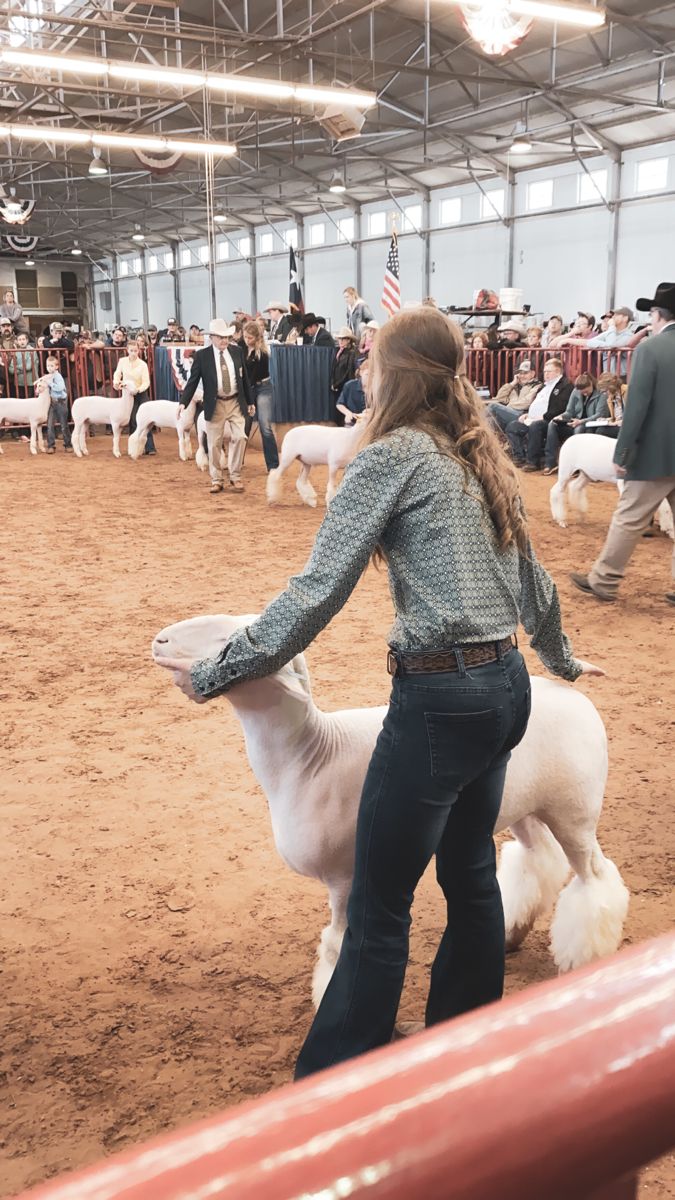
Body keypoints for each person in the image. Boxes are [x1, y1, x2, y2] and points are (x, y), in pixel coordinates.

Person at [156, 307, 601, 1077]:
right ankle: (462, 1042)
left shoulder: (389, 457)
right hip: (505, 689)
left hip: (439, 700)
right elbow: (531, 580)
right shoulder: (479, 456)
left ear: (392, 373)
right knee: (466, 873)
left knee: (379, 900)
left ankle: (335, 1073)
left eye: (368, 358)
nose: (360, 368)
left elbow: (317, 590)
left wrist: (220, 672)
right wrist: (558, 660)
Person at [571, 281, 675, 605]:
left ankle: (604, 580)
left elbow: (638, 406)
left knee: (628, 518)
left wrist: (623, 451)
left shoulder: (650, 349)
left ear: (657, 315)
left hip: (655, 456)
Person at [178, 317, 251, 495]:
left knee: (241, 437)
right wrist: (183, 402)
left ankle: (235, 475)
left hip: (235, 402)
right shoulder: (202, 356)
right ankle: (217, 479)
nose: (224, 340)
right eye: (220, 337)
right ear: (212, 337)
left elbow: (245, 378)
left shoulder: (237, 351)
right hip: (215, 403)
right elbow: (193, 381)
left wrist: (250, 401)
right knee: (214, 444)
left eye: (226, 336)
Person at [505, 359, 574, 470]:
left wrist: (543, 417)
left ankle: (533, 462)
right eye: (545, 371)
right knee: (513, 426)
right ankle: (519, 457)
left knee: (536, 426)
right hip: (532, 419)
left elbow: (560, 408)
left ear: (558, 372)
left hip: (551, 420)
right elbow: (536, 404)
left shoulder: (565, 386)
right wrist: (527, 414)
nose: (545, 374)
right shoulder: (544, 386)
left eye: (549, 371)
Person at [542, 372, 609, 475]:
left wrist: (581, 421)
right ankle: (550, 463)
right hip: (574, 422)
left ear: (591, 384)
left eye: (586, 391)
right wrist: (561, 417)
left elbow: (600, 414)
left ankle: (576, 466)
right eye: (582, 392)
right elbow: (569, 411)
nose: (584, 394)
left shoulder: (601, 394)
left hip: (589, 425)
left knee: (579, 429)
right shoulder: (575, 391)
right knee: (553, 424)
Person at [242, 320, 279, 472]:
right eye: (245, 337)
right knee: (243, 426)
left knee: (265, 426)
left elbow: (251, 376)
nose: (246, 340)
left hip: (263, 387)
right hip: (249, 388)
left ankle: (273, 466)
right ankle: (237, 462)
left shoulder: (262, 353)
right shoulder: (241, 348)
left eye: (250, 338)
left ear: (257, 338)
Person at [113, 339, 154, 455]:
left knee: (146, 419)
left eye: (135, 351)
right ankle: (133, 448)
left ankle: (150, 447)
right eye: (131, 350)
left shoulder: (143, 364)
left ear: (139, 351)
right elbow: (117, 373)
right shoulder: (122, 361)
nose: (133, 353)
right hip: (127, 395)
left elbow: (146, 382)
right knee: (132, 420)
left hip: (141, 394)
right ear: (127, 351)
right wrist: (116, 382)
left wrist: (138, 390)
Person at [488, 360, 542, 435]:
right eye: (520, 373)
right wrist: (512, 383)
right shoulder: (514, 386)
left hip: (523, 415)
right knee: (491, 418)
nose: (522, 376)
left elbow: (527, 403)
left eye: (525, 373)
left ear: (532, 374)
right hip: (510, 412)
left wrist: (508, 406)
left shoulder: (537, 385)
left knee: (493, 406)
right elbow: (499, 398)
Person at [42, 355, 72, 453]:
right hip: (52, 402)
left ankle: (68, 444)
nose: (49, 368)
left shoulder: (58, 377)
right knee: (50, 425)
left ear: (56, 367)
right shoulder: (48, 377)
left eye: (51, 366)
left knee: (64, 425)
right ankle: (51, 445)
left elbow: (60, 388)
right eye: (48, 366)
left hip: (61, 402)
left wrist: (50, 383)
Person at [331, 327, 359, 411]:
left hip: (345, 385)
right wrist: (333, 382)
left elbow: (348, 371)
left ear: (348, 340)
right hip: (338, 385)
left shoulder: (351, 353)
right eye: (340, 339)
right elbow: (334, 368)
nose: (341, 341)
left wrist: (337, 384)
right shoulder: (339, 352)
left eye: (343, 339)